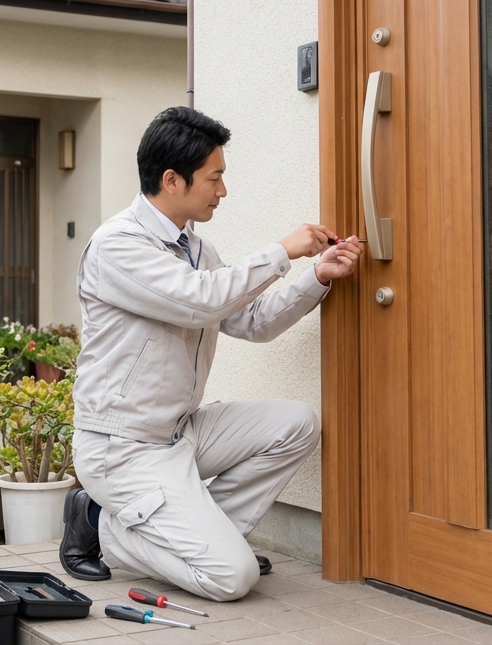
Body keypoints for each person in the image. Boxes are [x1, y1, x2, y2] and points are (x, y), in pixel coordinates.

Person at [61, 106, 362, 602]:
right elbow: (199, 300)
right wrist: (283, 251)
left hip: (180, 432)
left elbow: (252, 321)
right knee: (232, 577)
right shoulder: (118, 246)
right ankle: (102, 524)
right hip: (124, 449)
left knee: (297, 423)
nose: (223, 191)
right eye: (215, 178)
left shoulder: (197, 250)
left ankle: (206, 539)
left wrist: (318, 276)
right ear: (172, 180)